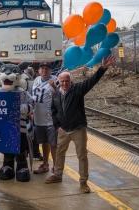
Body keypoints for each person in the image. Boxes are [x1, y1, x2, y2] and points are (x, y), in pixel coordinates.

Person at [45, 56, 116, 194]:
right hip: (63, 130)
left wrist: (102, 68)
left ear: (71, 81)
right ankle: (58, 175)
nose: (65, 83)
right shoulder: (55, 94)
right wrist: (57, 126)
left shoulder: (78, 89)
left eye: (67, 81)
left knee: (82, 156)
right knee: (60, 153)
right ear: (58, 81)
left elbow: (92, 81)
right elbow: (53, 111)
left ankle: (83, 182)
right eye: (62, 81)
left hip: (78, 129)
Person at [32, 62, 57, 174]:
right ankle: (45, 164)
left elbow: (62, 95)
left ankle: (57, 167)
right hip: (38, 118)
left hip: (51, 118)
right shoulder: (36, 80)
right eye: (42, 68)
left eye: (47, 68)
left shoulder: (55, 80)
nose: (44, 70)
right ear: (39, 70)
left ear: (51, 71)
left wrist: (55, 88)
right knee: (44, 142)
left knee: (53, 144)